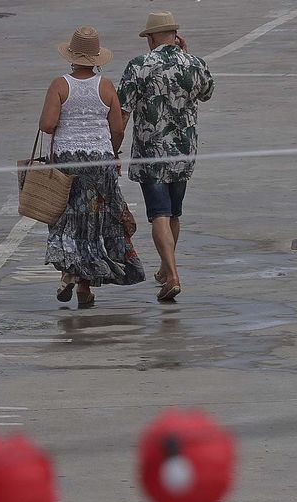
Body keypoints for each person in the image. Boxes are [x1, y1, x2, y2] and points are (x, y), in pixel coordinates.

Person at [38, 27, 145, 309]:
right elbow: (118, 129)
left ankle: (68, 273)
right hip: (100, 161)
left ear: (71, 56)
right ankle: (84, 290)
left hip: (68, 161)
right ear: (97, 58)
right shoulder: (107, 86)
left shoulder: (60, 85)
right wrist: (112, 153)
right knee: (95, 222)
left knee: (67, 219)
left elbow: (47, 125)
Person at [117, 12, 214, 304]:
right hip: (184, 151)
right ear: (175, 35)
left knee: (158, 213)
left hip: (151, 152)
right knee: (174, 212)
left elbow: (122, 111)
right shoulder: (194, 63)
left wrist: (113, 146)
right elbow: (208, 92)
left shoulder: (139, 65)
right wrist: (187, 56)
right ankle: (165, 266)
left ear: (150, 38)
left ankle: (172, 275)